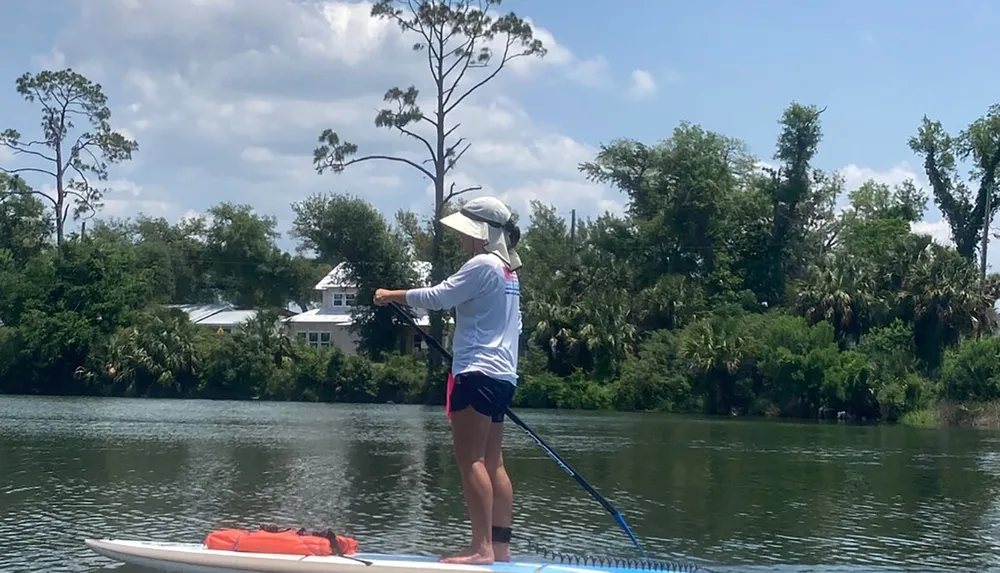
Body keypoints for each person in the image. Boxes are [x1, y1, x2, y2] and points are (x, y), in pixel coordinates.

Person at [373, 196, 522, 565]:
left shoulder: (482, 264)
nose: (461, 240)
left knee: (470, 459)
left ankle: (481, 549)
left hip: (476, 372)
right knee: (493, 462)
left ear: (481, 233)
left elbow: (438, 297)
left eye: (465, 232)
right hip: (503, 375)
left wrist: (390, 294)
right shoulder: (509, 272)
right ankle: (500, 549)